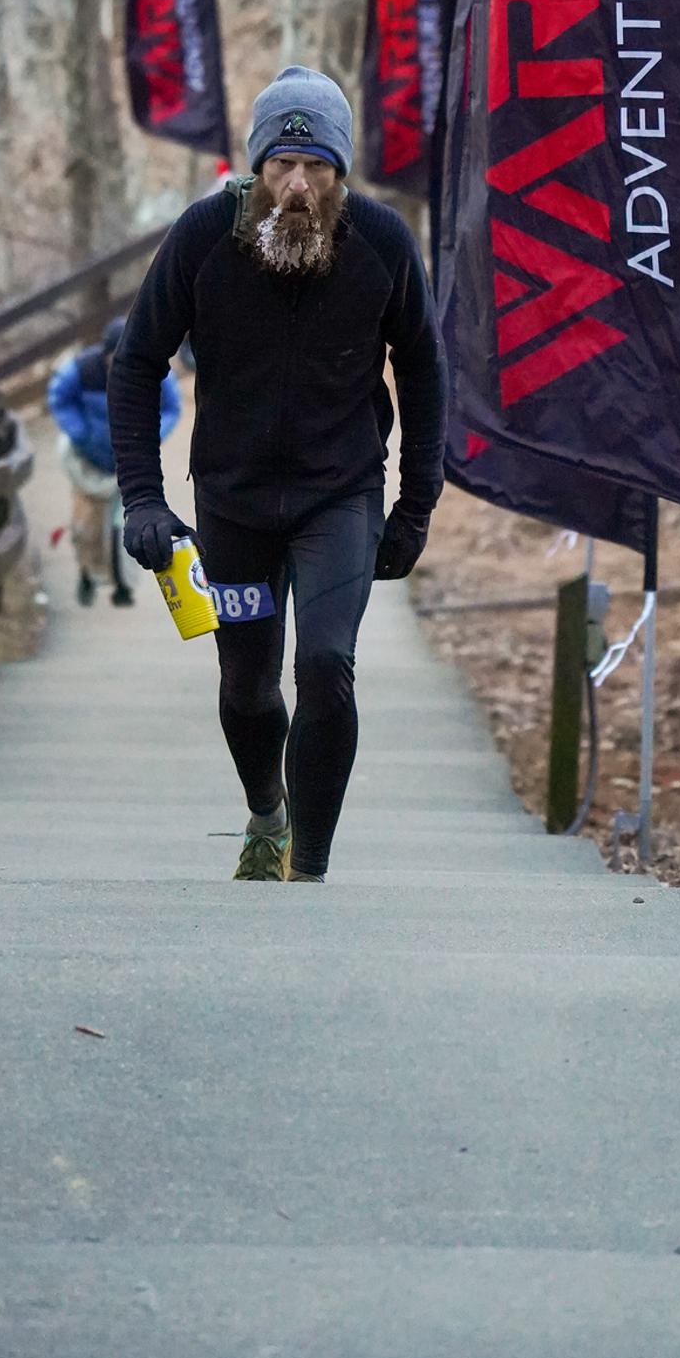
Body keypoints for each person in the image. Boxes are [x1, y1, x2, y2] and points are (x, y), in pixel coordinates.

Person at [108, 64, 446, 883]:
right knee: (247, 685)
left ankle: (311, 868)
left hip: (340, 499)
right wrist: (144, 499)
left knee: (327, 663)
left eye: (318, 168)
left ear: (340, 175)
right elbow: (134, 361)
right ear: (255, 168)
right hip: (234, 509)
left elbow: (427, 372)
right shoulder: (202, 236)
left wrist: (413, 508)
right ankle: (268, 813)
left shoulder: (381, 242)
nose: (298, 185)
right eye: (282, 166)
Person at [49, 317, 181, 608]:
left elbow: (173, 407)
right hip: (89, 460)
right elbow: (59, 398)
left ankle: (123, 585)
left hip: (129, 460)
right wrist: (79, 432)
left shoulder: (154, 369)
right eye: (112, 359)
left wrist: (151, 436)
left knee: (125, 525)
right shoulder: (81, 371)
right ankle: (86, 573)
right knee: (86, 527)